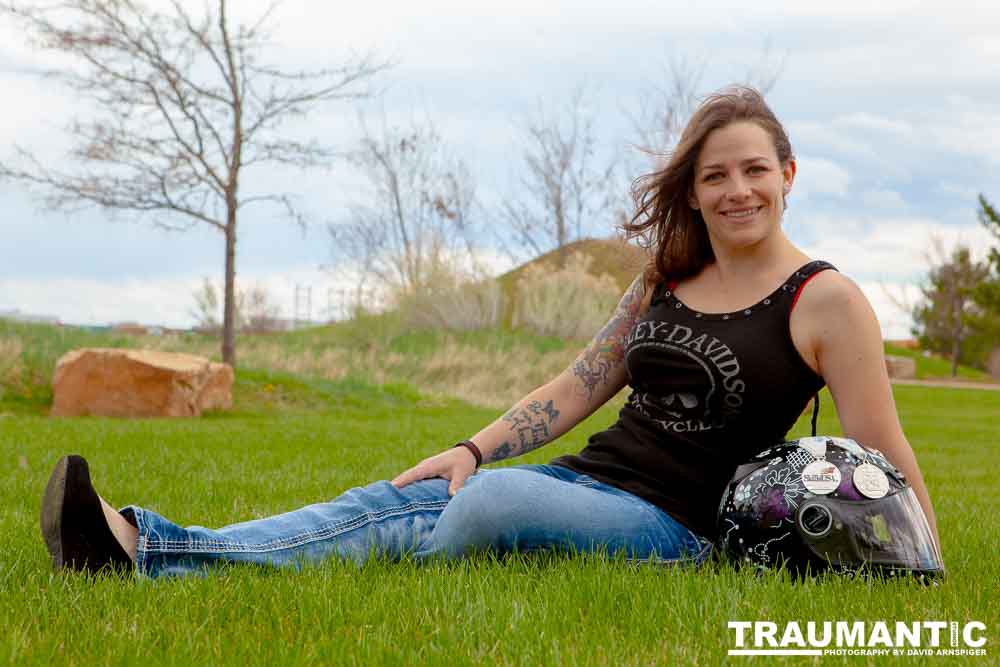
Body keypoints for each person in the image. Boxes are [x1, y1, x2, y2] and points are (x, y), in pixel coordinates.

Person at [40, 86, 942, 579]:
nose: (737, 189)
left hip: (681, 530)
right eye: (716, 175)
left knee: (491, 507)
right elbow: (577, 386)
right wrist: (472, 444)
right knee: (408, 492)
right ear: (694, 189)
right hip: (590, 483)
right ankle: (150, 543)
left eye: (755, 169)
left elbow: (884, 449)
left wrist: (926, 559)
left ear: (789, 174)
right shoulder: (665, 275)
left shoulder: (827, 301)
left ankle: (165, 550)